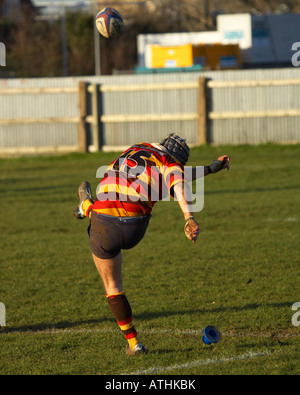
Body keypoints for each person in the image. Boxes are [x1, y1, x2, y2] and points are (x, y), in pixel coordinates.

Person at [74, 133, 230, 355]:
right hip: (133, 227)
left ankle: (134, 344)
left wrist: (209, 169)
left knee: (113, 287)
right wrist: (189, 216)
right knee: (151, 193)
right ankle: (87, 207)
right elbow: (177, 181)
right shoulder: (169, 164)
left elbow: (174, 176)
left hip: (103, 223)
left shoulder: (138, 148)